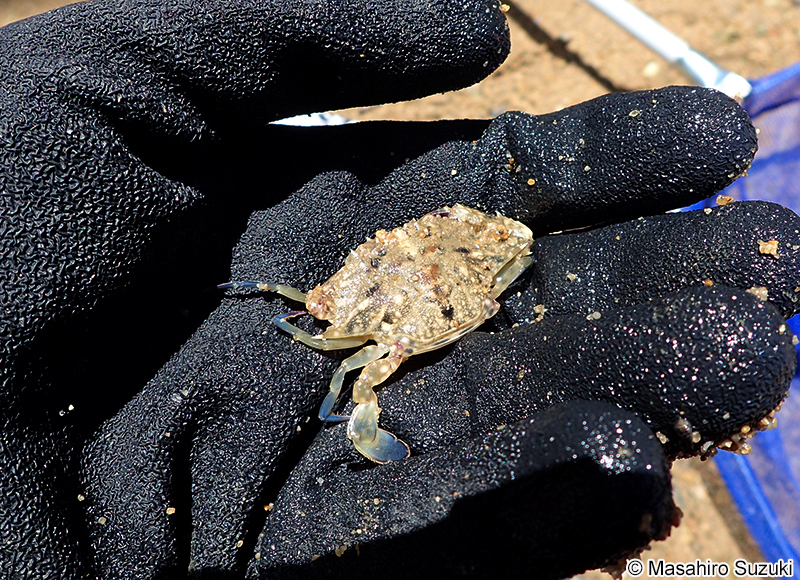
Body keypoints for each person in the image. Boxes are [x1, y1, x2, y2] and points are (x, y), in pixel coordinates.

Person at [1, 0, 796, 578]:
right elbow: (335, 337)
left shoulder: (366, 325)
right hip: (433, 291)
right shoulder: (357, 323)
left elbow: (354, 340)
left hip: (439, 281)